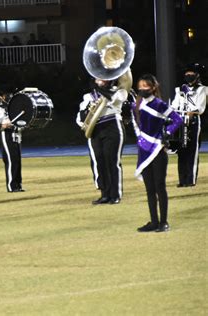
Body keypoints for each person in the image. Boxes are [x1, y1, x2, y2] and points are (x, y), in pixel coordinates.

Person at [131, 74, 182, 232]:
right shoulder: (135, 105)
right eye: (140, 86)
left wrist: (165, 134)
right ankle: (154, 221)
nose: (142, 89)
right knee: (149, 188)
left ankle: (164, 222)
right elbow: (135, 123)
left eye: (146, 86)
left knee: (160, 186)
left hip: (158, 150)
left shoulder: (159, 104)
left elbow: (177, 119)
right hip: (144, 150)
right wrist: (140, 138)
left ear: (153, 88)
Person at [76, 77, 127, 205]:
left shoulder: (119, 91)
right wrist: (86, 112)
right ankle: (105, 194)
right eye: (97, 77)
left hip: (112, 126)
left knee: (112, 161)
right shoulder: (88, 96)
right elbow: (80, 117)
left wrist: (101, 89)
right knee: (100, 161)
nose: (99, 79)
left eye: (102, 78)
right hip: (96, 130)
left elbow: (114, 99)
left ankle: (115, 195)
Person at [170, 63, 207, 187]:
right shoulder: (180, 89)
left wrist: (191, 113)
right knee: (181, 151)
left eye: (191, 73)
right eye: (186, 74)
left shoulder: (202, 89)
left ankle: (190, 180)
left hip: (193, 122)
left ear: (197, 75)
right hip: (180, 121)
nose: (188, 75)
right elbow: (174, 105)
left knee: (192, 150)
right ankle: (182, 180)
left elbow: (200, 108)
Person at [0, 89, 24, 192]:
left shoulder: (14, 108)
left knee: (17, 161)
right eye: (7, 94)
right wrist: (3, 125)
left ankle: (18, 185)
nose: (10, 96)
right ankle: (11, 186)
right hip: (7, 134)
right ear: (1, 97)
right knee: (11, 160)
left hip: (17, 134)